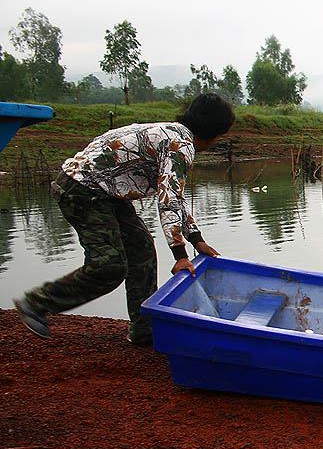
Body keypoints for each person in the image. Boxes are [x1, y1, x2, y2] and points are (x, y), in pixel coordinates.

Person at [13, 93, 236, 345]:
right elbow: (168, 201)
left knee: (141, 249)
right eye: (220, 135)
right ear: (212, 132)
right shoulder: (180, 145)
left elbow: (175, 196)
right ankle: (35, 303)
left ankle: (143, 330)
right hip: (83, 190)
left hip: (107, 192)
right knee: (109, 266)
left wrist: (197, 240)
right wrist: (181, 256)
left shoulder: (172, 132)